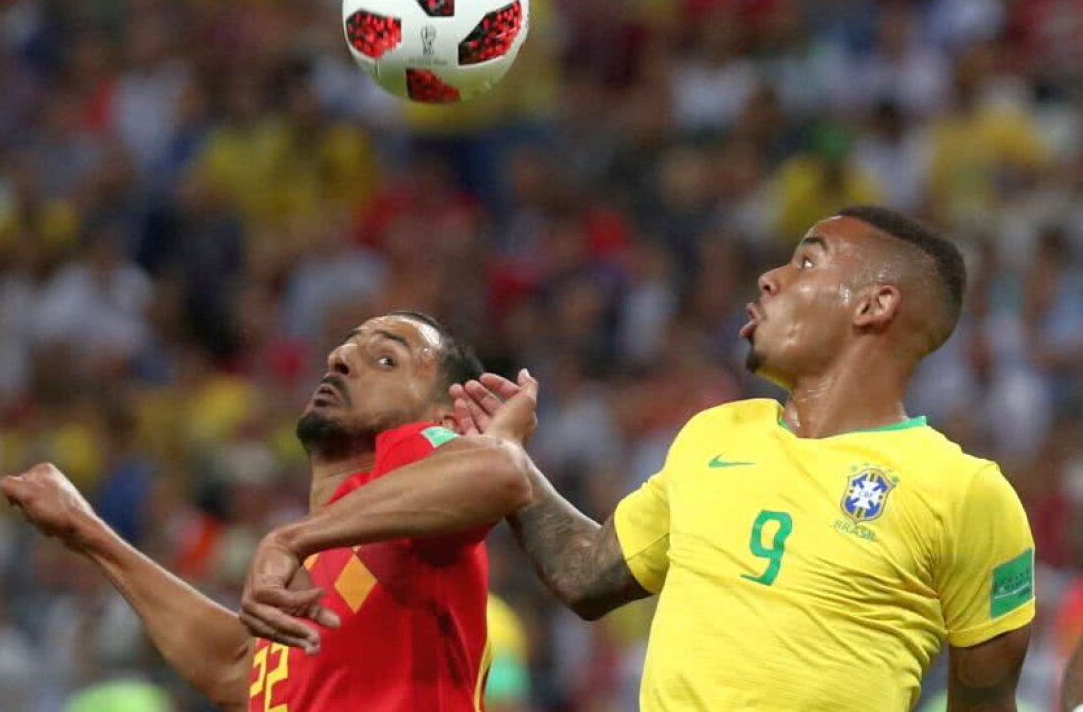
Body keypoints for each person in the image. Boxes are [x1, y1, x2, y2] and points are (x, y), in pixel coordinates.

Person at [263, 206, 1036, 710]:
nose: (769, 277)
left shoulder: (964, 492)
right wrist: (509, 457)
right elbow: (587, 573)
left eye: (807, 263)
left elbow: (986, 699)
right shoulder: (716, 437)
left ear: (876, 306)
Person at [0, 311, 533, 711]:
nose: (340, 359)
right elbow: (237, 666)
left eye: (387, 359)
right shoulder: (328, 544)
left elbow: (499, 472)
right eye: (345, 347)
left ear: (448, 414)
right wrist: (87, 531)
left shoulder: (413, 457)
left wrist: (290, 539)